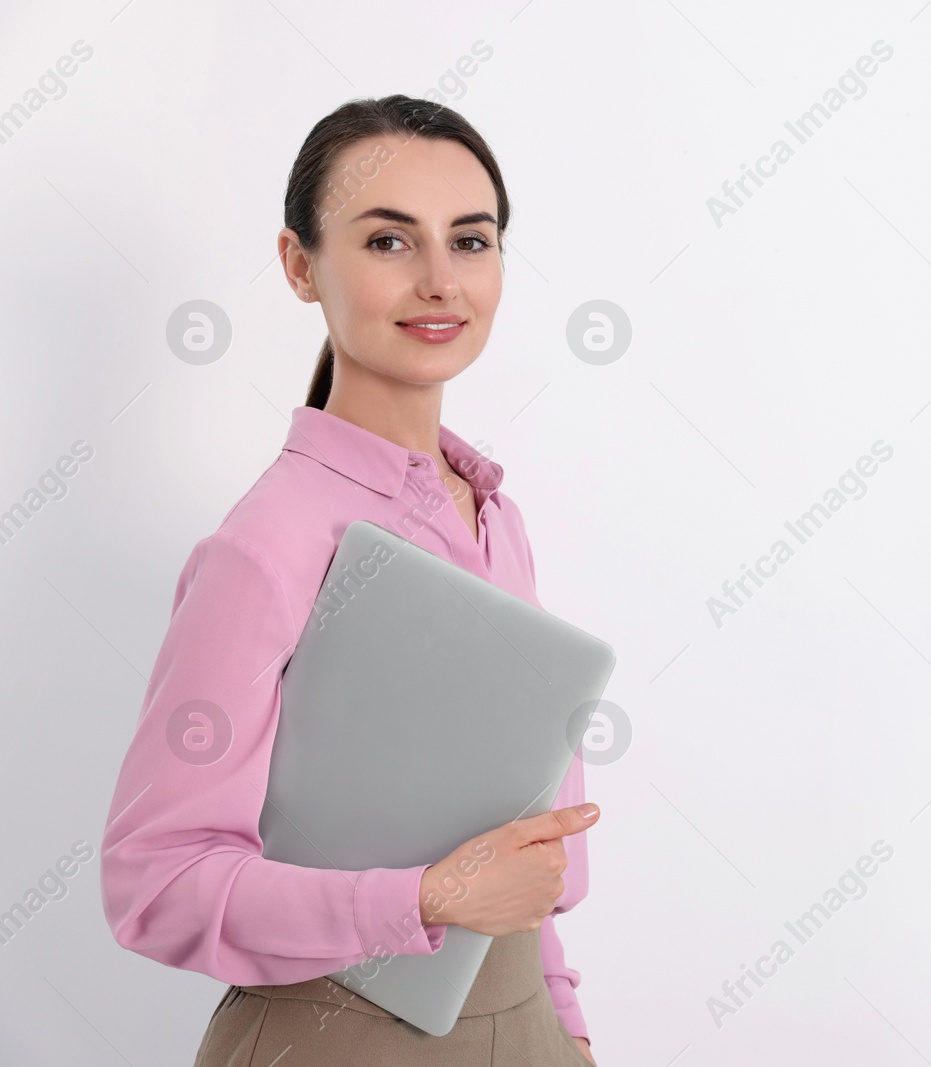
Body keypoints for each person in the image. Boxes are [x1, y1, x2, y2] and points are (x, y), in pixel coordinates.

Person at [99, 94, 601, 1066]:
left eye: (470, 240)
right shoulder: (268, 542)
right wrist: (424, 898)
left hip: (521, 1029)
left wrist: (567, 1030)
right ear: (300, 264)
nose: (439, 282)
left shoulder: (496, 516)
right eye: (387, 242)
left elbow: (524, 849)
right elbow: (152, 880)